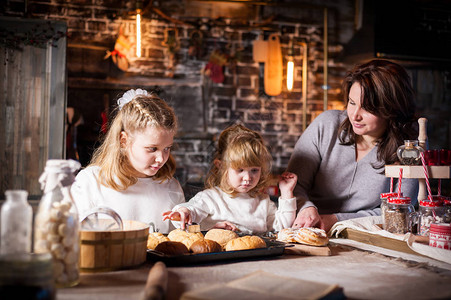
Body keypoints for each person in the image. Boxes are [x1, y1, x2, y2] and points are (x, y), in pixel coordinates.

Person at [287, 59, 419, 232]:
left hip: (368, 237)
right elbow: (293, 184)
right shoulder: (326, 125)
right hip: (308, 231)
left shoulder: (410, 148)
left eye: (367, 108)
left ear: (392, 108)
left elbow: (400, 212)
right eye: (352, 102)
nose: (355, 115)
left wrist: (336, 220)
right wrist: (306, 208)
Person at [71, 89, 185, 234]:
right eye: (152, 149)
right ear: (124, 140)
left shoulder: (171, 187)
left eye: (167, 148)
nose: (161, 158)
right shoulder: (90, 182)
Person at [162, 124, 298, 234]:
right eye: (240, 170)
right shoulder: (211, 198)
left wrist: (286, 193)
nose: (248, 178)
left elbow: (283, 227)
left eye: (254, 170)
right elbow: (193, 210)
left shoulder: (263, 201)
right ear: (221, 166)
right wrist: (183, 212)